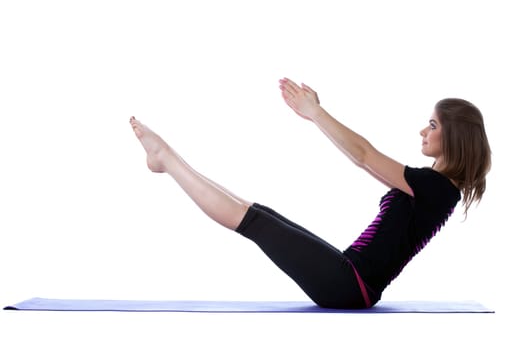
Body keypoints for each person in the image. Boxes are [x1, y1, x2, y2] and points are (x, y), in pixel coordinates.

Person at [129, 77, 491, 309]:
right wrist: (314, 116)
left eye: (432, 125)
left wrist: (316, 112)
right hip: (349, 276)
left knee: (254, 222)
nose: (422, 131)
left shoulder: (435, 189)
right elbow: (362, 161)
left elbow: (365, 154)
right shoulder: (433, 188)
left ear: (454, 136)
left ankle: (165, 158)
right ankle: (166, 160)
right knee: (260, 213)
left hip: (350, 284)